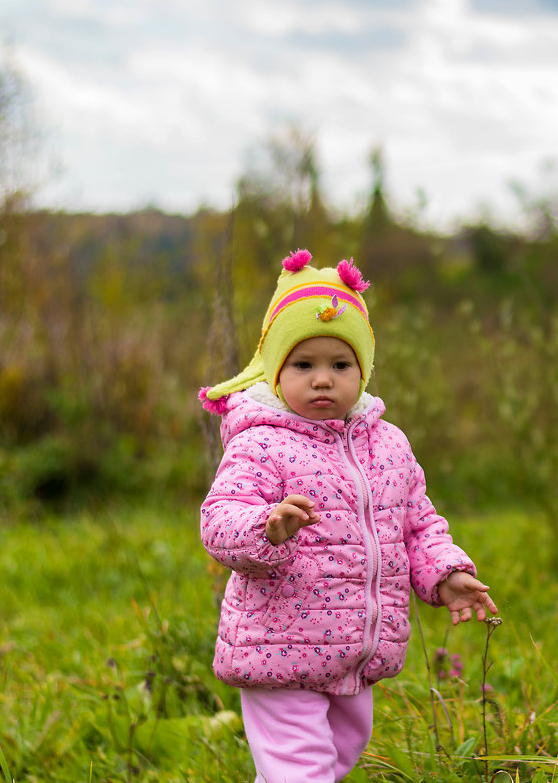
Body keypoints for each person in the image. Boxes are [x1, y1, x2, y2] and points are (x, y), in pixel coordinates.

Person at [198, 249, 496, 782]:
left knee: (335, 758)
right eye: (303, 364)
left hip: (355, 655)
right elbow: (220, 519)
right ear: (274, 369)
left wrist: (446, 573)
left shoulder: (387, 444)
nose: (321, 380)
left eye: (340, 365)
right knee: (302, 771)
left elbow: (419, 524)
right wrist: (266, 529)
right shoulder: (262, 443)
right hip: (278, 653)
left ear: (362, 369)